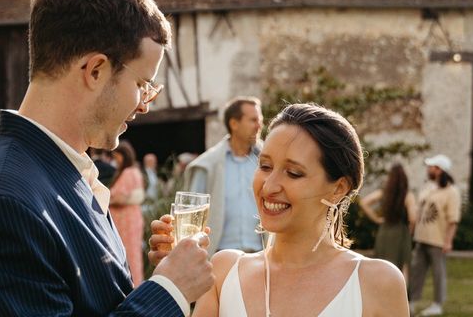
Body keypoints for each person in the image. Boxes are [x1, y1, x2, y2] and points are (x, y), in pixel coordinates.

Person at [0, 0, 214, 316]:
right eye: (142, 85)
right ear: (95, 70)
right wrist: (169, 291)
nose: (144, 105)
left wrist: (168, 280)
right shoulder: (4, 200)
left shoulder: (63, 173)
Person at [151, 103, 408, 316]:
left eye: (293, 173)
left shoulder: (377, 283)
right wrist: (173, 282)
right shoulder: (224, 270)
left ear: (338, 188)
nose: (270, 186)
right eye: (264, 166)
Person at [184, 96, 264, 255]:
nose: (259, 126)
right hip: (218, 259)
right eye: (253, 120)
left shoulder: (269, 162)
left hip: (261, 258)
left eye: (260, 120)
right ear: (234, 124)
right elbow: (190, 218)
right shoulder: (206, 165)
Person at [408, 154, 461, 316]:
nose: (428, 169)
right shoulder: (428, 188)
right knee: (416, 271)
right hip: (421, 238)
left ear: (439, 170)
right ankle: (411, 301)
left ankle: (437, 304)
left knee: (438, 273)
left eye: (431, 167)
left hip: (437, 240)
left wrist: (448, 241)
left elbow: (453, 220)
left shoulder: (452, 192)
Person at [359, 163, 416, 280]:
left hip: (384, 231)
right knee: (401, 264)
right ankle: (401, 293)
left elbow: (364, 202)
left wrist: (377, 219)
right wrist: (410, 231)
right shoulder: (408, 195)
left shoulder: (384, 193)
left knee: (382, 264)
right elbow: (413, 218)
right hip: (400, 232)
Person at [109, 140, 145, 286]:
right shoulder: (131, 171)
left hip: (127, 221)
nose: (115, 160)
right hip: (129, 219)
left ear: (123, 155)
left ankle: (131, 286)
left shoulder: (129, 172)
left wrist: (107, 198)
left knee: (128, 254)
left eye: (116, 156)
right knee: (130, 253)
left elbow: (122, 196)